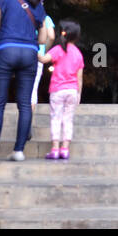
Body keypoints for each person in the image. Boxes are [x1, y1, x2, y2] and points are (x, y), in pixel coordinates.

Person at [0, 0, 47, 162]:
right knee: (25, 104)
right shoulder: (38, 3)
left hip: (5, 51)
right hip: (29, 53)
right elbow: (43, 39)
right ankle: (19, 150)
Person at [39, 20, 83, 160]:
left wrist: (34, 49)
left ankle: (55, 148)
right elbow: (79, 77)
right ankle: (65, 149)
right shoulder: (78, 54)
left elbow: (44, 59)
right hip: (72, 91)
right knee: (68, 119)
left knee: (56, 118)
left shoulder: (58, 49)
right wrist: (79, 94)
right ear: (77, 37)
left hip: (57, 90)